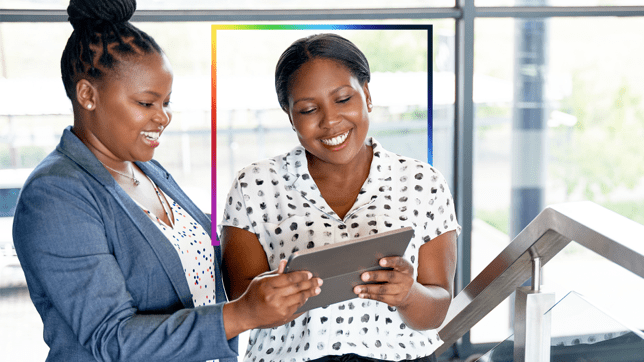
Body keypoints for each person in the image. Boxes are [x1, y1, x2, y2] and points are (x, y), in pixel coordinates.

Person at [12, 1, 321, 361]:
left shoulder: (146, 170)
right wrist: (241, 314)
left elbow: (196, 277)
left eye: (167, 102)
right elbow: (113, 339)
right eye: (146, 103)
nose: (163, 117)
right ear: (87, 96)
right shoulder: (55, 195)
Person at [220, 33, 460, 362]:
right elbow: (240, 302)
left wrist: (409, 294)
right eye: (307, 109)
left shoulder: (423, 183)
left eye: (344, 99)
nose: (330, 121)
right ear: (290, 115)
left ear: (368, 96)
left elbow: (437, 309)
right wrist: (277, 294)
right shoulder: (254, 185)